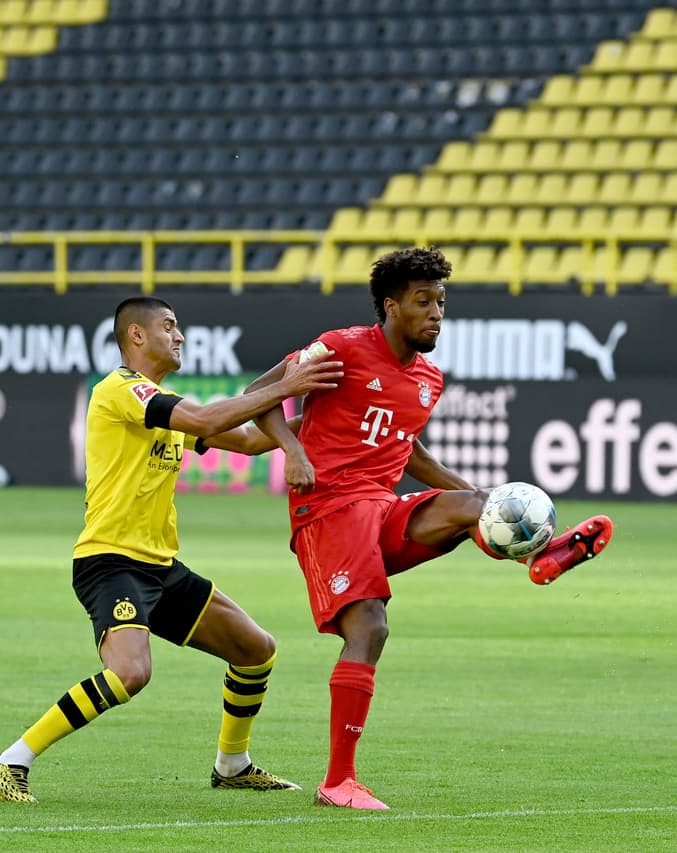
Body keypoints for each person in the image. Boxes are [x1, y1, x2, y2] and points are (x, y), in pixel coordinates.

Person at [248, 247, 614, 810]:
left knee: (480, 503)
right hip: (328, 509)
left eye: (441, 302)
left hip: (380, 507)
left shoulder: (428, 378)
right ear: (391, 307)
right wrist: (293, 452)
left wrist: (475, 498)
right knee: (369, 628)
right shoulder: (341, 348)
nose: (436, 313)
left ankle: (543, 556)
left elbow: (406, 448)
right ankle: (337, 783)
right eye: (424, 302)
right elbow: (258, 396)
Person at [0, 295, 344, 803]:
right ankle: (10, 760)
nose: (179, 336)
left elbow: (246, 441)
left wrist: (333, 417)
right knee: (131, 672)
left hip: (158, 566)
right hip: (109, 560)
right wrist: (286, 387)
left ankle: (232, 765)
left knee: (256, 650)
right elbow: (203, 421)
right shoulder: (120, 390)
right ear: (136, 335)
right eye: (170, 326)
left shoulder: (161, 404)